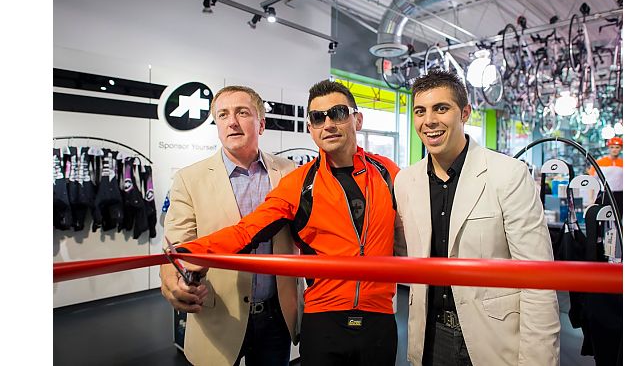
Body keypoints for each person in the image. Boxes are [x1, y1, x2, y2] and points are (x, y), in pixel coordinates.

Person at [176, 80, 406, 366]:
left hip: (380, 318)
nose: (328, 124)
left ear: (356, 119)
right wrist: (190, 252)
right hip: (323, 318)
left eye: (338, 113)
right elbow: (248, 230)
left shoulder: (389, 173)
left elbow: (417, 231)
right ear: (310, 128)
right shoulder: (298, 183)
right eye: (318, 117)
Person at [394, 70, 561, 366]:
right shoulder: (406, 182)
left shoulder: (508, 174)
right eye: (420, 111)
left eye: (441, 108)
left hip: (493, 338)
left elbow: (538, 279)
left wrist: (538, 361)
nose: (429, 121)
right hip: (429, 335)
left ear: (465, 113)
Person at [160, 85, 300, 366]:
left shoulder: (290, 173)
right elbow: (175, 249)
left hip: (277, 316)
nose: (231, 121)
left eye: (242, 112)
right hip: (218, 315)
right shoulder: (190, 179)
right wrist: (170, 282)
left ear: (261, 124)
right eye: (222, 115)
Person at [588, 136, 623, 218]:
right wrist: (590, 199)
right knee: (602, 218)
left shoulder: (623, 163)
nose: (614, 149)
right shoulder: (600, 162)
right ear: (609, 148)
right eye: (612, 147)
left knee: (618, 218)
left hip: (620, 195)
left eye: (617, 147)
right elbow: (592, 181)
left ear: (621, 148)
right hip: (605, 194)